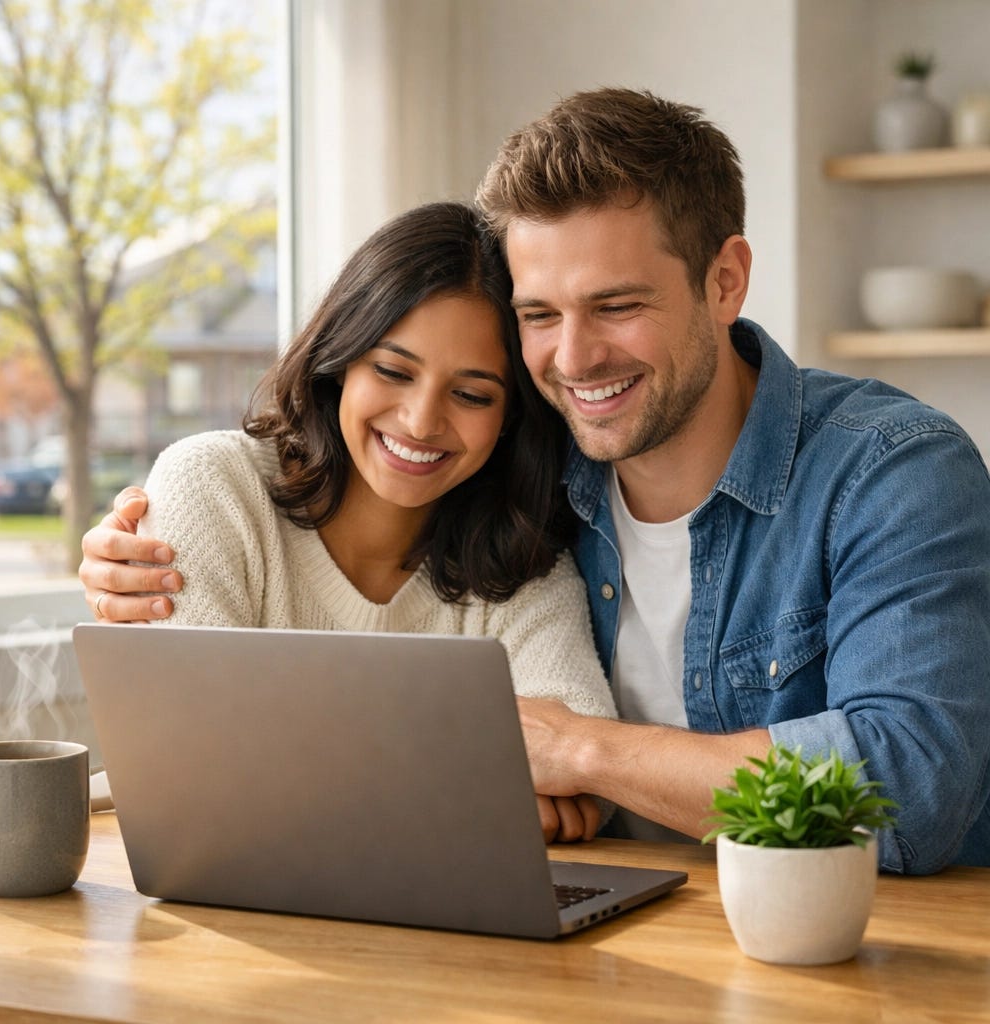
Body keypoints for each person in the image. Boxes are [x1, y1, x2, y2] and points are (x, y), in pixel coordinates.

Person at [81, 89, 990, 874]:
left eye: (617, 305)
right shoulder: (534, 477)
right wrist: (135, 559)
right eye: (539, 315)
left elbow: (910, 783)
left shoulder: (891, 471)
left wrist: (581, 751)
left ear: (725, 280)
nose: (575, 357)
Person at [80, 201, 617, 844]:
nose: (421, 421)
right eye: (392, 371)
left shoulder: (523, 560)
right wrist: (477, 777)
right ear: (340, 362)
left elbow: (583, 766)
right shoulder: (212, 487)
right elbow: (196, 758)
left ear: (510, 420)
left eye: (472, 394)